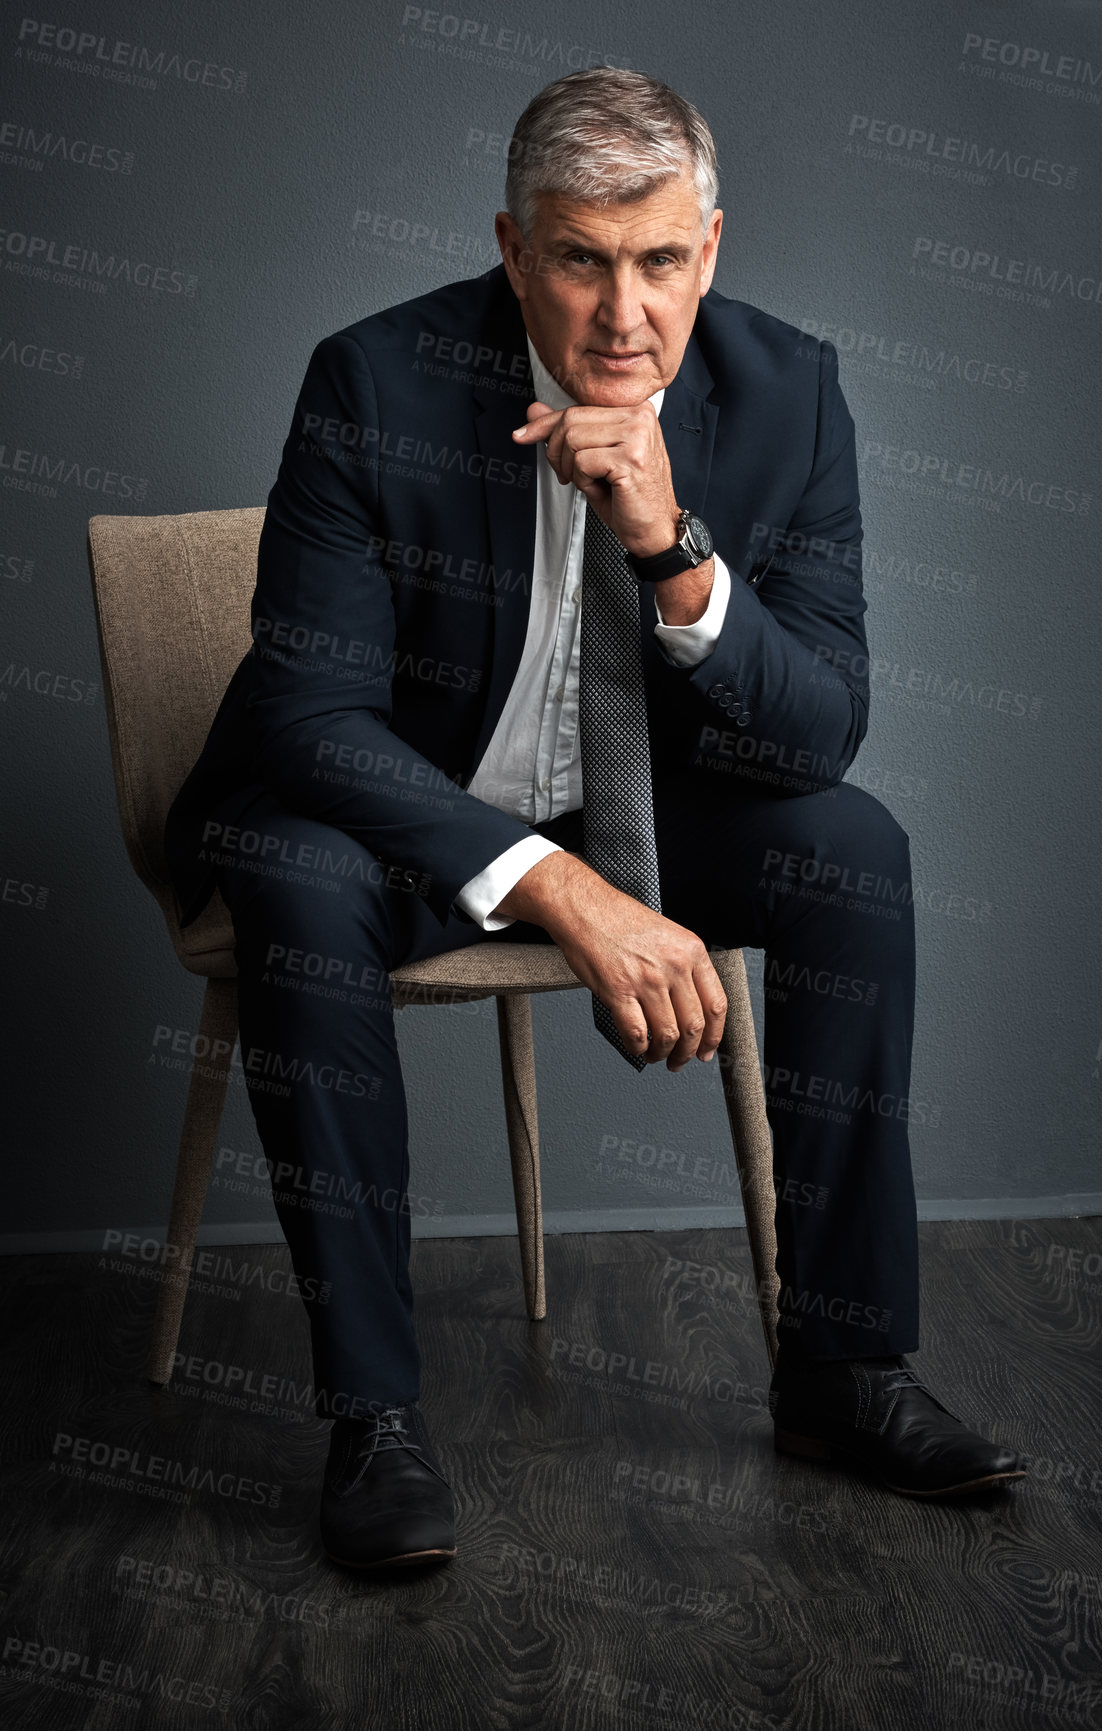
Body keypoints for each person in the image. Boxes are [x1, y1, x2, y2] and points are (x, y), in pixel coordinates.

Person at [164, 66, 1024, 1570]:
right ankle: (373, 1418)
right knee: (294, 885)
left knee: (856, 851)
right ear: (513, 249)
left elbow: (821, 727)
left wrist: (672, 550)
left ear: (711, 247)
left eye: (660, 260)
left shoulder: (789, 390)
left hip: (641, 806)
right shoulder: (375, 382)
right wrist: (561, 887)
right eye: (578, 259)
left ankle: (840, 1368)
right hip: (392, 816)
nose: (623, 311)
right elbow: (309, 722)